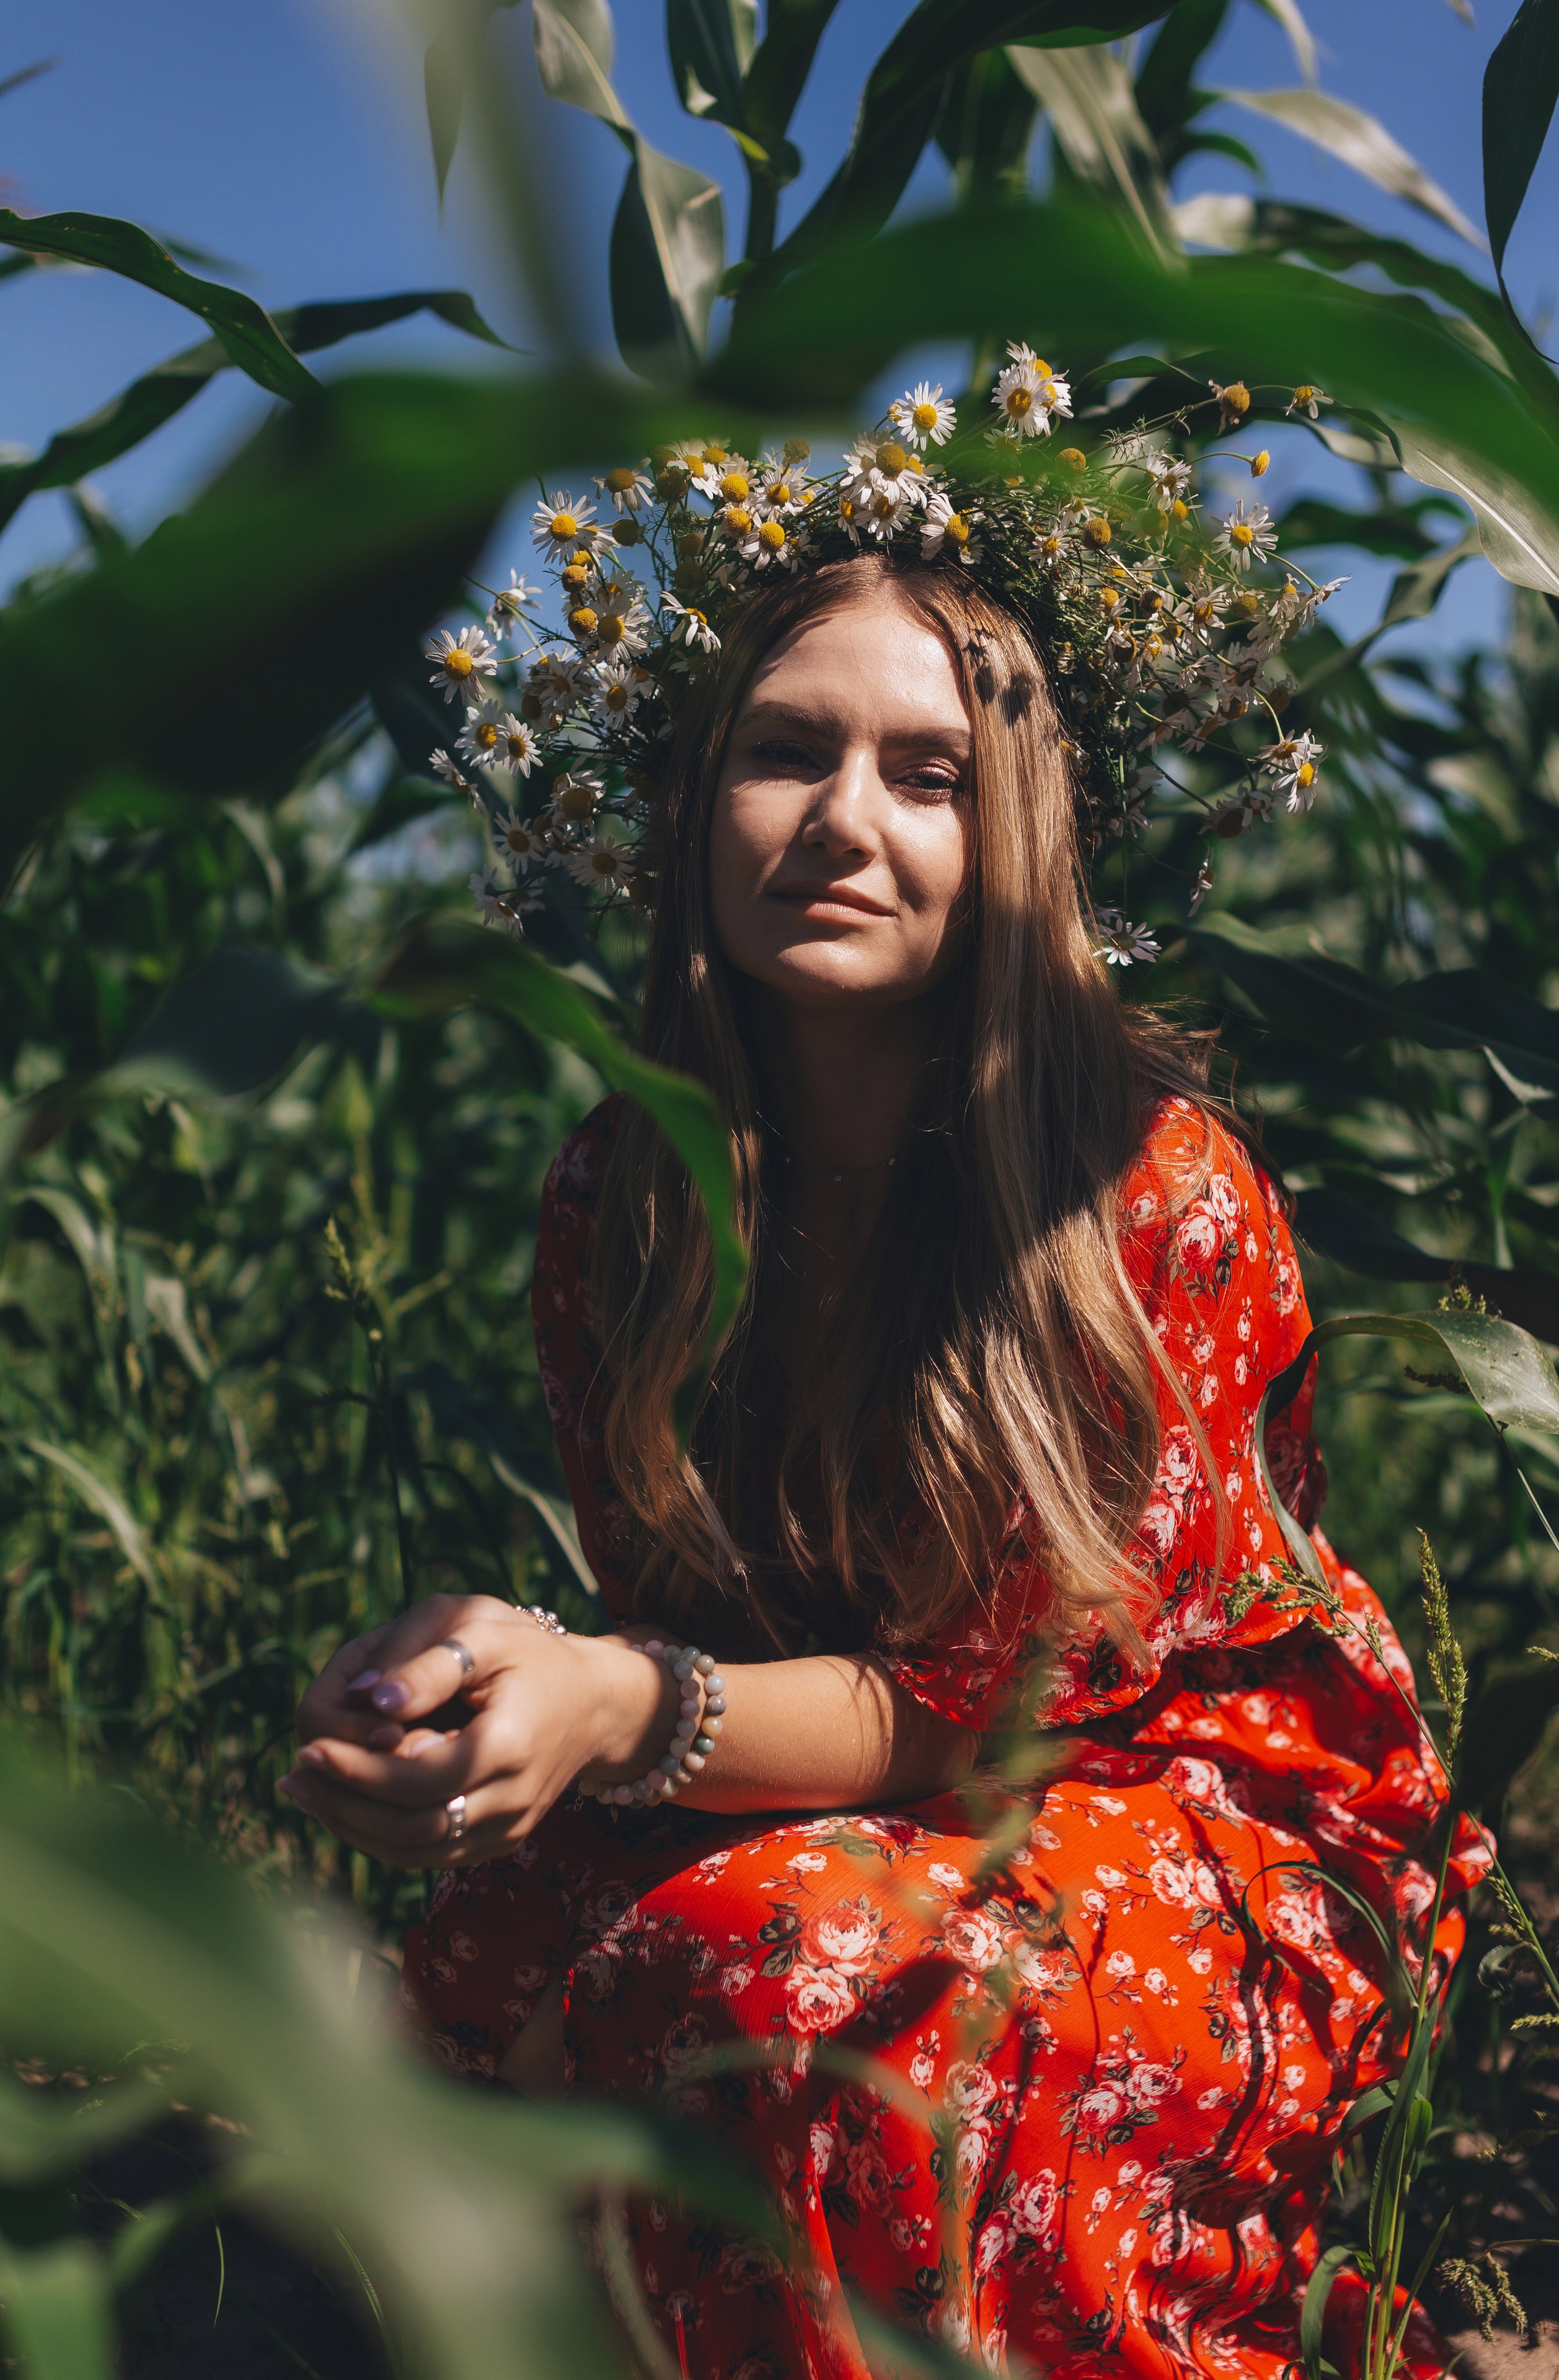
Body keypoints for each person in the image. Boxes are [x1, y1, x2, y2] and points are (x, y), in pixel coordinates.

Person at [283, 552, 1482, 2379]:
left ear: (1017, 833)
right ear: (692, 806)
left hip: (1184, 1799)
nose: (844, 822)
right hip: (828, 1763)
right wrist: (453, 1701)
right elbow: (679, 1623)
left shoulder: (1145, 1188)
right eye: (784, 752)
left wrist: (620, 1707)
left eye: (927, 776)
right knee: (447, 1991)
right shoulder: (624, 1194)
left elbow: (991, 1714)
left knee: (784, 1986)